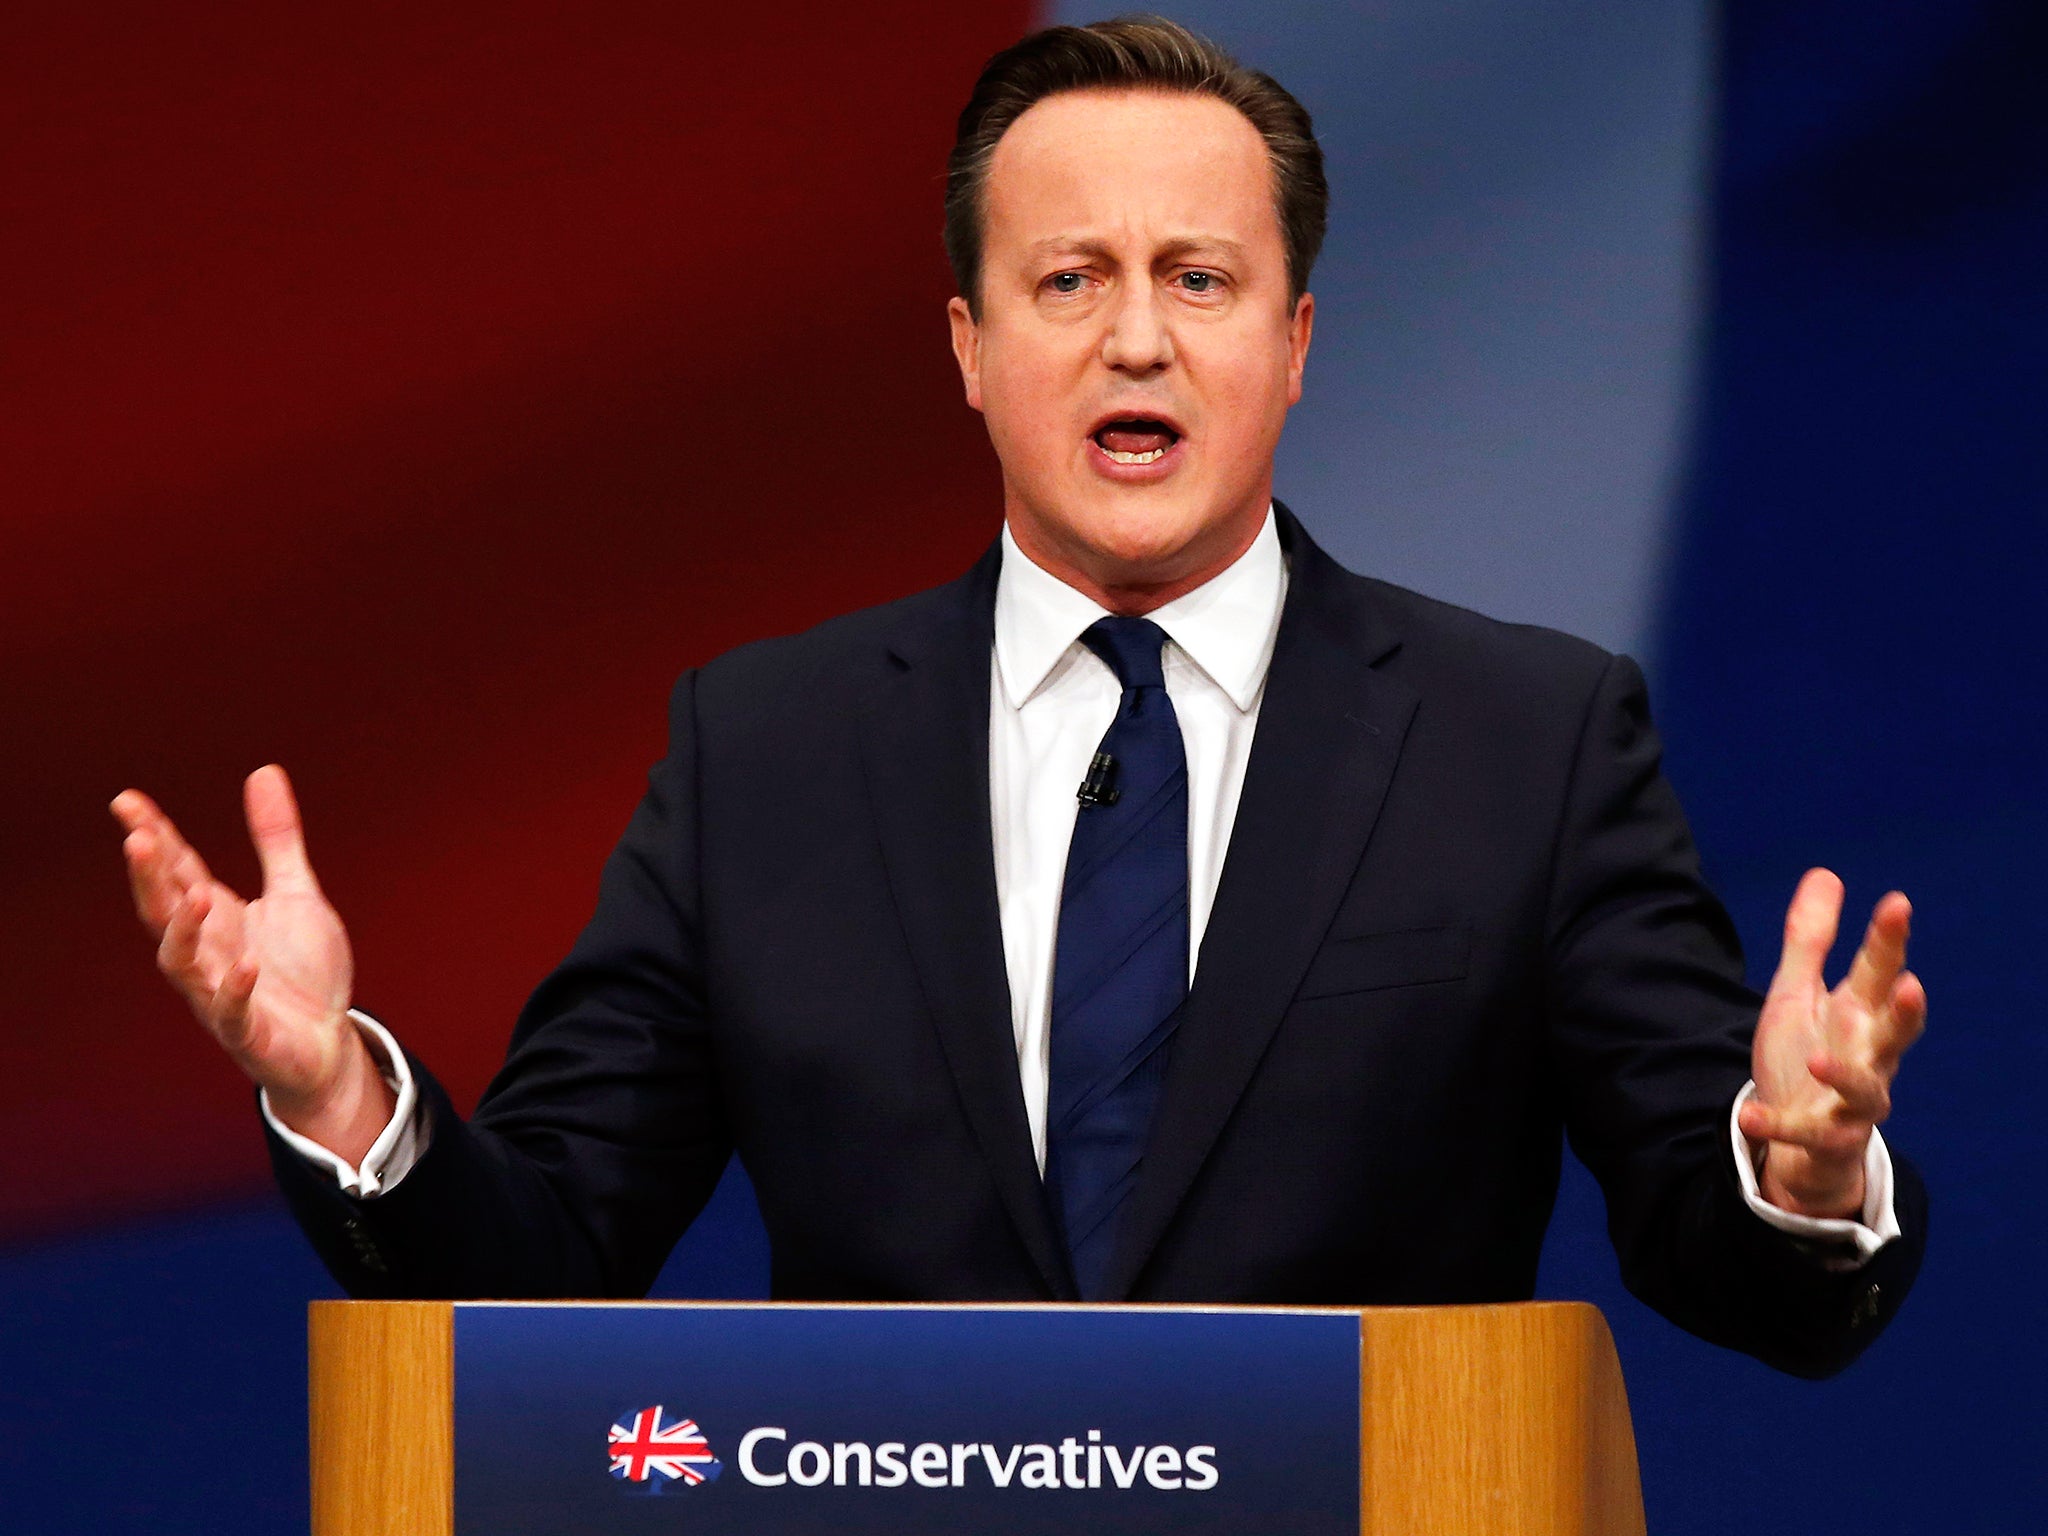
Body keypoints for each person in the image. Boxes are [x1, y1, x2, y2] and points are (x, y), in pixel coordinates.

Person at [111, 18, 1924, 1375]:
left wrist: (1798, 1164)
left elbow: (1744, 1274)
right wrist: (343, 1090)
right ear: (970, 349)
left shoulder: (1525, 739)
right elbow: (545, 1258)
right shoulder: (768, 753)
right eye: (1071, 280)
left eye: (1198, 279)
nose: (1137, 337)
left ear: (1293, 345)